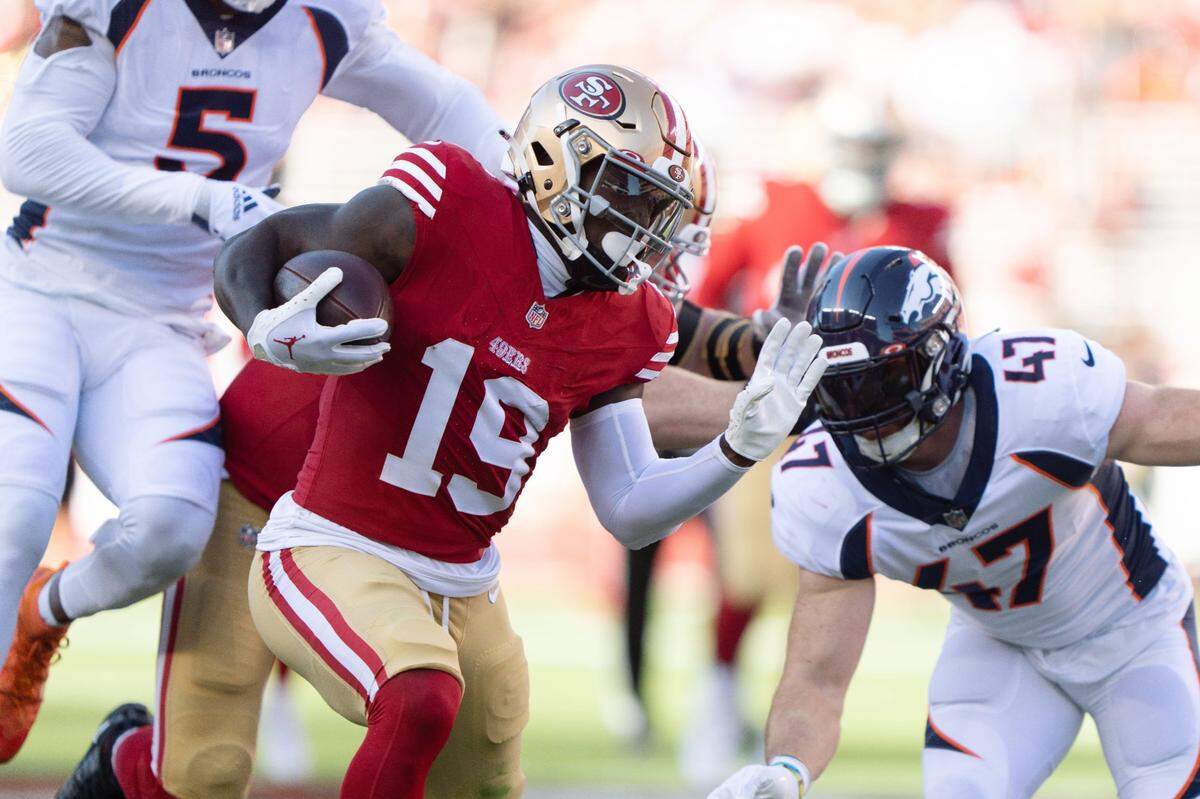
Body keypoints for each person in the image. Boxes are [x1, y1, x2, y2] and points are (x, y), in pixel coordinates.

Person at [205, 64, 824, 799]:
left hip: (468, 582)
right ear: (554, 163)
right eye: (628, 195)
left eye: (655, 209)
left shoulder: (626, 318)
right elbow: (265, 241)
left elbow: (627, 506)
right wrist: (264, 327)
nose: (643, 232)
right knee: (415, 695)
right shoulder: (449, 200)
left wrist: (735, 451)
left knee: (489, 777)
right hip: (333, 541)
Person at [0, 0, 510, 765]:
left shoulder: (323, 19)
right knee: (17, 507)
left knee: (171, 529)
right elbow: (25, 153)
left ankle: (43, 613)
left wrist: (520, 213)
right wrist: (204, 197)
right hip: (41, 287)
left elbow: (446, 106)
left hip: (163, 322)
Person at [712, 246, 1200, 799]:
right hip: (999, 647)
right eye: (841, 386)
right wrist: (787, 771)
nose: (862, 410)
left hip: (1134, 631)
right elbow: (816, 678)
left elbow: (1160, 417)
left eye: (881, 381)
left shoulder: (1040, 395)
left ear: (942, 355)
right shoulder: (826, 488)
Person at [680, 88, 953, 785]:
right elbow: (703, 306)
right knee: (744, 578)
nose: (865, 164)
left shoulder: (919, 218)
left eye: (875, 150)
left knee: (842, 574)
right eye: (854, 148)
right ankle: (716, 707)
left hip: (878, 428)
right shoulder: (774, 203)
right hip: (782, 418)